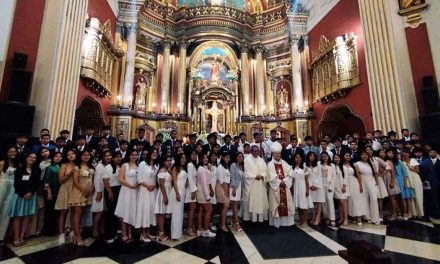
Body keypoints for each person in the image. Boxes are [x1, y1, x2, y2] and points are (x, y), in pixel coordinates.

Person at [8, 152, 41, 247]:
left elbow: (36, 183)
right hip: (20, 196)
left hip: (31, 195)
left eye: (34, 157)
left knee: (27, 216)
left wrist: (30, 192)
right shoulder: (20, 169)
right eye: (30, 157)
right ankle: (16, 238)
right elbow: (16, 184)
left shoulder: (37, 169)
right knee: (18, 217)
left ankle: (22, 236)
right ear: (26, 157)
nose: (32, 159)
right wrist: (23, 194)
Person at [68, 150, 94, 246]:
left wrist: (91, 189)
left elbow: (92, 179)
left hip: (88, 192)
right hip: (79, 192)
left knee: (82, 214)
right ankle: (77, 236)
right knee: (77, 214)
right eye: (84, 155)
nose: (86, 156)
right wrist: (83, 190)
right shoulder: (77, 167)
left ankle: (77, 233)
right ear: (81, 156)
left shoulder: (91, 167)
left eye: (88, 155)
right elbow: (75, 181)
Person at [267, 142, 295, 228]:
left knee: (287, 203)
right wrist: (279, 182)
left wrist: (285, 181)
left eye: (279, 153)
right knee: (276, 204)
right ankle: (276, 223)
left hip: (285, 187)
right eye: (276, 153)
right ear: (273, 154)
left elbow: (291, 172)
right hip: (275, 189)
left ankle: (286, 223)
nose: (277, 155)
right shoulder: (270, 164)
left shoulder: (284, 163)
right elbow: (270, 176)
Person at [115, 150, 139, 243]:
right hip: (126, 191)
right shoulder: (125, 165)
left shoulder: (138, 167)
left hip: (134, 192)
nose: (134, 156)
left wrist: (136, 185)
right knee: (125, 211)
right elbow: (120, 179)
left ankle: (130, 232)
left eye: (135, 154)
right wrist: (130, 186)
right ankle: (124, 233)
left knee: (131, 211)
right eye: (132, 154)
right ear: (129, 156)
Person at [135, 149, 159, 242]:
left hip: (153, 191)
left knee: (150, 210)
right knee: (144, 210)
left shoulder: (157, 165)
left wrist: (154, 186)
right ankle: (143, 233)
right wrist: (147, 186)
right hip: (144, 190)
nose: (155, 154)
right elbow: (139, 179)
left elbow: (157, 179)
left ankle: (148, 231)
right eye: (153, 152)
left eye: (156, 153)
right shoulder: (142, 164)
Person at [55, 149, 76, 244]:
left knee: (74, 212)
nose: (71, 155)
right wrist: (68, 174)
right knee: (63, 212)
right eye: (68, 154)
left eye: (72, 153)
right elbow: (60, 180)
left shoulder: (78, 165)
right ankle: (61, 234)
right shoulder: (64, 166)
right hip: (65, 188)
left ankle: (72, 231)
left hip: (75, 189)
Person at [243, 145, 269, 222]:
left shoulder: (261, 160)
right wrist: (254, 176)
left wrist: (262, 176)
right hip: (252, 184)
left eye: (257, 151)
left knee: (260, 201)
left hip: (260, 184)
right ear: (251, 151)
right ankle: (252, 218)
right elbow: (246, 173)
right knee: (252, 201)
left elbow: (266, 171)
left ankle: (261, 219)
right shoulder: (247, 160)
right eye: (254, 151)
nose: (256, 152)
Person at [355, 150, 380, 225]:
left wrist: (376, 183)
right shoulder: (357, 164)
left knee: (374, 198)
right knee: (364, 199)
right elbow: (358, 175)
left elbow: (375, 173)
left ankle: (375, 218)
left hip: (372, 181)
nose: (364, 156)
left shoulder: (372, 163)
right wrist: (360, 185)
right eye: (362, 154)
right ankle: (367, 216)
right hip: (363, 182)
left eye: (365, 154)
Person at [91, 151, 112, 238]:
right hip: (100, 190)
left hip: (106, 190)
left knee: (104, 212)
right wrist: (99, 191)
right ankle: (95, 230)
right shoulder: (100, 166)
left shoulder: (110, 166)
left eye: (109, 155)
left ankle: (102, 229)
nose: (108, 157)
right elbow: (97, 179)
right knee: (99, 211)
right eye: (106, 156)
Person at [41, 151, 62, 236]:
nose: (58, 158)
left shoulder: (60, 166)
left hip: (59, 192)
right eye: (56, 156)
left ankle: (55, 229)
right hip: (51, 193)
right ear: (52, 157)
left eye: (60, 156)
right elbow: (46, 181)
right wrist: (49, 192)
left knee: (56, 212)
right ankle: (48, 231)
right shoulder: (49, 167)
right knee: (49, 212)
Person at [103, 152, 122, 243]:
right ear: (113, 158)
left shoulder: (119, 167)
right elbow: (105, 180)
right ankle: (109, 235)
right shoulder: (108, 167)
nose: (118, 159)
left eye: (120, 157)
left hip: (119, 189)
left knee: (116, 213)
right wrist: (110, 192)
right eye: (116, 157)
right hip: (111, 189)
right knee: (110, 213)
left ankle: (114, 233)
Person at [0, 146, 18, 243]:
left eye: (14, 151)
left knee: (6, 212)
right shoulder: (2, 163)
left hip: (13, 189)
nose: (13, 153)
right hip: (2, 186)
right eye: (10, 151)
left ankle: (1, 236)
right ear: (7, 152)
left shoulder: (17, 164)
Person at [196, 153, 216, 238]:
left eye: (206, 157)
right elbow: (204, 184)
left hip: (203, 191)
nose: (206, 159)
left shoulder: (204, 167)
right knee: (209, 210)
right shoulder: (201, 169)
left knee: (201, 210)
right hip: (203, 192)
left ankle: (200, 229)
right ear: (200, 159)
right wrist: (207, 196)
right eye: (203, 158)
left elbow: (208, 181)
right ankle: (206, 231)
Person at [367, 146, 389, 222]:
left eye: (370, 149)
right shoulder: (365, 159)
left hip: (378, 179)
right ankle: (372, 213)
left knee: (379, 197)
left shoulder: (377, 159)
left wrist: (383, 174)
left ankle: (380, 213)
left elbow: (387, 166)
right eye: (367, 150)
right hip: (369, 178)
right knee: (371, 197)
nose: (369, 151)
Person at [154, 156, 173, 241]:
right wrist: (165, 197)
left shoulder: (167, 170)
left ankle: (162, 232)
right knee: (161, 214)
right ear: (163, 162)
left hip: (167, 192)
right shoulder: (162, 171)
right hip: (162, 194)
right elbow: (161, 185)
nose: (169, 162)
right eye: (167, 161)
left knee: (163, 213)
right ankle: (161, 234)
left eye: (170, 160)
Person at [292, 153, 313, 227]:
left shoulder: (305, 167)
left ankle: (305, 221)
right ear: (294, 159)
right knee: (299, 205)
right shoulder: (292, 167)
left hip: (303, 186)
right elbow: (293, 180)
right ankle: (301, 220)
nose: (298, 158)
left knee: (304, 204)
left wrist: (307, 190)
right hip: (296, 187)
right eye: (296, 157)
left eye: (299, 157)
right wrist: (292, 190)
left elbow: (306, 180)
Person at [402, 149, 424, 219]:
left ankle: (420, 213)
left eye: (407, 153)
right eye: (404, 152)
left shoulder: (413, 160)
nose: (406, 154)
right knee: (411, 197)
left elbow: (418, 170)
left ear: (409, 153)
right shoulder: (401, 161)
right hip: (407, 179)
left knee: (418, 196)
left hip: (415, 178)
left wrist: (410, 168)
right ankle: (413, 213)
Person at [170, 153, 188, 240]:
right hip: (177, 192)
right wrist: (177, 193)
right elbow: (175, 182)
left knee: (180, 213)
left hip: (183, 191)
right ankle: (174, 234)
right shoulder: (175, 168)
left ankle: (179, 232)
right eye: (182, 158)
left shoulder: (184, 168)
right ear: (178, 159)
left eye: (184, 158)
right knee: (176, 213)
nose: (183, 160)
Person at [345, 152, 366, 225]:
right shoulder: (342, 165)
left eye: (348, 155)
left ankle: (359, 217)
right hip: (346, 183)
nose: (347, 157)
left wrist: (360, 185)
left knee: (356, 199)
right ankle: (352, 216)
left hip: (354, 183)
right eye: (346, 155)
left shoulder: (354, 165)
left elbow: (358, 176)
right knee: (349, 200)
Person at [420, 149, 440, 219]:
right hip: (428, 183)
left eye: (434, 152)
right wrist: (424, 181)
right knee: (429, 198)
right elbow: (422, 173)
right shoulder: (425, 162)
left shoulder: (439, 162)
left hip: (438, 183)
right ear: (429, 153)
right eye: (431, 152)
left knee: (437, 198)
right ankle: (429, 213)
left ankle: (437, 213)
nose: (432, 153)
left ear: (437, 153)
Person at [305, 152, 324, 226]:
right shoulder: (305, 165)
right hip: (310, 186)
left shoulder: (318, 165)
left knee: (319, 202)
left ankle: (318, 217)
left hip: (318, 186)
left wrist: (316, 185)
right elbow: (306, 177)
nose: (312, 157)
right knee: (312, 202)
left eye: (313, 156)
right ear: (308, 157)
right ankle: (313, 217)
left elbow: (320, 176)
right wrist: (310, 185)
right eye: (310, 156)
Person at [384, 149, 401, 221]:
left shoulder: (390, 162)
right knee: (390, 199)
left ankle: (394, 214)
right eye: (389, 153)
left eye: (392, 153)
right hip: (386, 179)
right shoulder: (386, 161)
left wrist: (392, 182)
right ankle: (392, 213)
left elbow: (393, 173)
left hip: (390, 179)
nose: (391, 154)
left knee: (392, 198)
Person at [216, 152, 231, 232]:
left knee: (223, 207)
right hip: (221, 186)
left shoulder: (226, 166)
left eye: (228, 157)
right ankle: (223, 225)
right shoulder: (220, 167)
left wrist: (227, 188)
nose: (227, 159)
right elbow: (222, 181)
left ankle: (221, 223)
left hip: (226, 186)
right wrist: (225, 191)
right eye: (226, 157)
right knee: (226, 205)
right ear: (222, 158)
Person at [320, 152, 336, 226]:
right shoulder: (318, 164)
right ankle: (327, 217)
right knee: (323, 201)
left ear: (328, 157)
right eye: (323, 156)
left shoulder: (332, 165)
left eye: (325, 156)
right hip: (321, 184)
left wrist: (331, 187)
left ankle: (332, 218)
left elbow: (334, 177)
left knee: (330, 200)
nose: (324, 158)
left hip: (329, 184)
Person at [185, 150, 198, 236]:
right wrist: (193, 191)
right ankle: (189, 228)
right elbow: (189, 178)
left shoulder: (193, 165)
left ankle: (191, 226)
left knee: (193, 209)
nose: (194, 156)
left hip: (193, 188)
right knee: (192, 209)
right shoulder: (189, 165)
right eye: (193, 154)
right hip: (191, 190)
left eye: (195, 154)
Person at [230, 152, 244, 232]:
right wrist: (234, 188)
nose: (241, 158)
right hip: (234, 187)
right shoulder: (233, 165)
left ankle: (233, 220)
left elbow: (241, 179)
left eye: (242, 157)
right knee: (235, 206)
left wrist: (241, 189)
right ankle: (237, 223)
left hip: (239, 188)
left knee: (236, 205)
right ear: (236, 157)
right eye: (239, 157)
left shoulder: (241, 166)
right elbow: (232, 177)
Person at [333, 154, 349, 226]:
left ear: (340, 158)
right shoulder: (333, 167)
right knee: (339, 202)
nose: (337, 159)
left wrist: (344, 186)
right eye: (335, 158)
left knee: (343, 201)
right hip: (336, 187)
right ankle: (341, 217)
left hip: (342, 186)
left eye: (338, 158)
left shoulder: (343, 167)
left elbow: (346, 177)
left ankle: (346, 218)